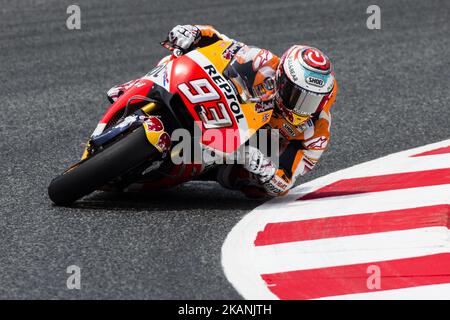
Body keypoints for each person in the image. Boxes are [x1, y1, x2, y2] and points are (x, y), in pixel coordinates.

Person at [107, 25, 338, 197]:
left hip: (242, 151)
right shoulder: (264, 62)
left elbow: (286, 182)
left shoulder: (317, 133)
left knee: (255, 189)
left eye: (310, 100)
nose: (299, 105)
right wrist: (194, 32)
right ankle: (139, 85)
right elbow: (222, 44)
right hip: (224, 109)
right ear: (282, 78)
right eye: (295, 93)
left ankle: (173, 173)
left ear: (324, 100)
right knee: (181, 55)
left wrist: (267, 171)